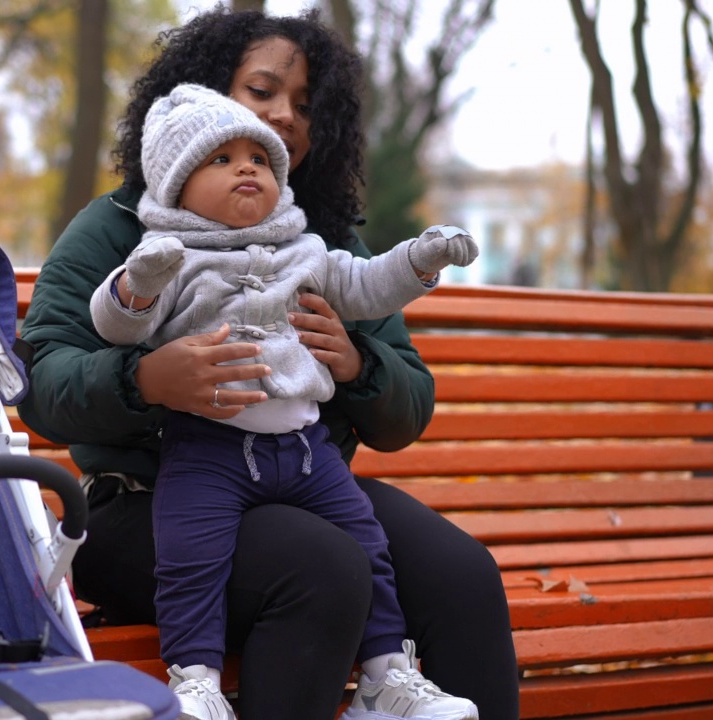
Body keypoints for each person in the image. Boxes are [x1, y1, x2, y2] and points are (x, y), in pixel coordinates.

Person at [17, 8, 521, 720]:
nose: (285, 116)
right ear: (203, 99)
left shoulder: (314, 240)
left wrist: (356, 364)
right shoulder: (123, 228)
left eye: (306, 107)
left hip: (299, 478)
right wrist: (144, 380)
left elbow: (409, 408)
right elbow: (40, 378)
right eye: (263, 92)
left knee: (461, 574)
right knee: (322, 569)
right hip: (148, 503)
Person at [89, 81, 479, 720]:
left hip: (306, 450)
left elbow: (364, 287)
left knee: (367, 545)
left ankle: (386, 680)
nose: (248, 166)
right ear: (176, 184)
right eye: (222, 158)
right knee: (193, 559)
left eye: (259, 158)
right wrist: (139, 282)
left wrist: (420, 259)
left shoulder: (306, 249)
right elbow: (117, 325)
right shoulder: (168, 254)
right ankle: (196, 683)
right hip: (208, 450)